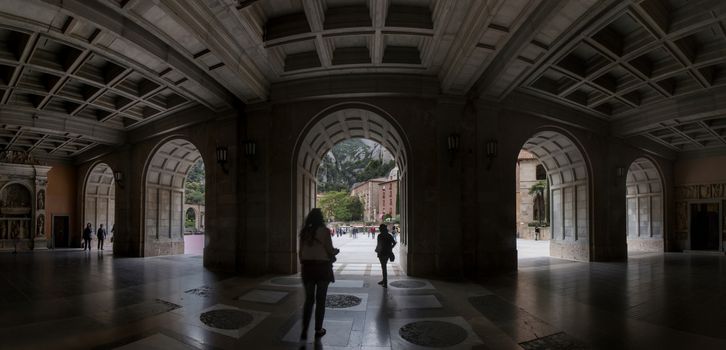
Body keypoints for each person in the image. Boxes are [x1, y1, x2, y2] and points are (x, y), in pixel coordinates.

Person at [299, 208, 338, 340]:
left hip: (308, 269)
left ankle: (304, 329)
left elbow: (300, 254)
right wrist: (335, 252)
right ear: (321, 218)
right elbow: (330, 249)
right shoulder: (325, 231)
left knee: (309, 300)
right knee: (320, 300)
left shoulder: (304, 232)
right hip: (322, 268)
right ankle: (318, 329)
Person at [375, 223, 396, 287]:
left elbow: (379, 245)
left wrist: (377, 250)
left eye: (380, 228)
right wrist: (390, 248)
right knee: (384, 266)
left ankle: (385, 282)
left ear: (381, 229)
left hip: (381, 253)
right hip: (387, 253)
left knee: (383, 267)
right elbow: (394, 243)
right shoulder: (389, 235)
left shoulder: (380, 236)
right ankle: (384, 280)